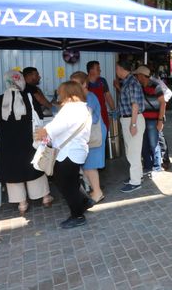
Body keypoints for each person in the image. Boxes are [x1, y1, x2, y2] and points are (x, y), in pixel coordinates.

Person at [0, 71, 53, 216]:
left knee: (13, 169)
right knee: (34, 165)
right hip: (29, 141)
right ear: (21, 82)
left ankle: (22, 204)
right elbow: (40, 117)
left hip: (8, 142)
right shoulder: (29, 97)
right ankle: (45, 197)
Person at [35, 81, 91, 229]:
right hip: (77, 152)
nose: (59, 95)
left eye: (61, 92)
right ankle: (84, 201)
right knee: (71, 181)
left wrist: (42, 132)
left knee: (67, 186)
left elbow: (56, 127)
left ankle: (78, 216)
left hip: (68, 153)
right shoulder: (83, 108)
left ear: (68, 93)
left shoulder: (69, 109)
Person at [70, 71, 107, 204]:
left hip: (94, 134)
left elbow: (87, 117)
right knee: (87, 165)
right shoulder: (81, 97)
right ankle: (95, 190)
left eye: (75, 83)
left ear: (84, 84)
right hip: (88, 134)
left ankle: (97, 193)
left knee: (90, 166)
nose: (72, 86)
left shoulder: (89, 97)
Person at [116, 60, 146, 191]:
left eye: (117, 68)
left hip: (133, 120)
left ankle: (135, 182)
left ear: (122, 69)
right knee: (132, 151)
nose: (116, 71)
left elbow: (135, 105)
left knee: (133, 152)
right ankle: (138, 176)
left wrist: (133, 124)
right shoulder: (128, 82)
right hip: (129, 120)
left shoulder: (131, 83)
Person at [133, 65, 166, 177]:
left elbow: (163, 103)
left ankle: (157, 167)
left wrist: (160, 120)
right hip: (142, 120)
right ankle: (148, 166)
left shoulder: (155, 86)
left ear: (142, 76)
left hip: (153, 120)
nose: (137, 77)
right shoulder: (139, 87)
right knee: (144, 144)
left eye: (138, 75)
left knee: (154, 144)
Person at [87, 61, 116, 132]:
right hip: (90, 114)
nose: (100, 70)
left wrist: (114, 109)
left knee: (104, 132)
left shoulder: (102, 81)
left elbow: (108, 96)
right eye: (98, 69)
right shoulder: (85, 82)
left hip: (103, 112)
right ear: (91, 70)